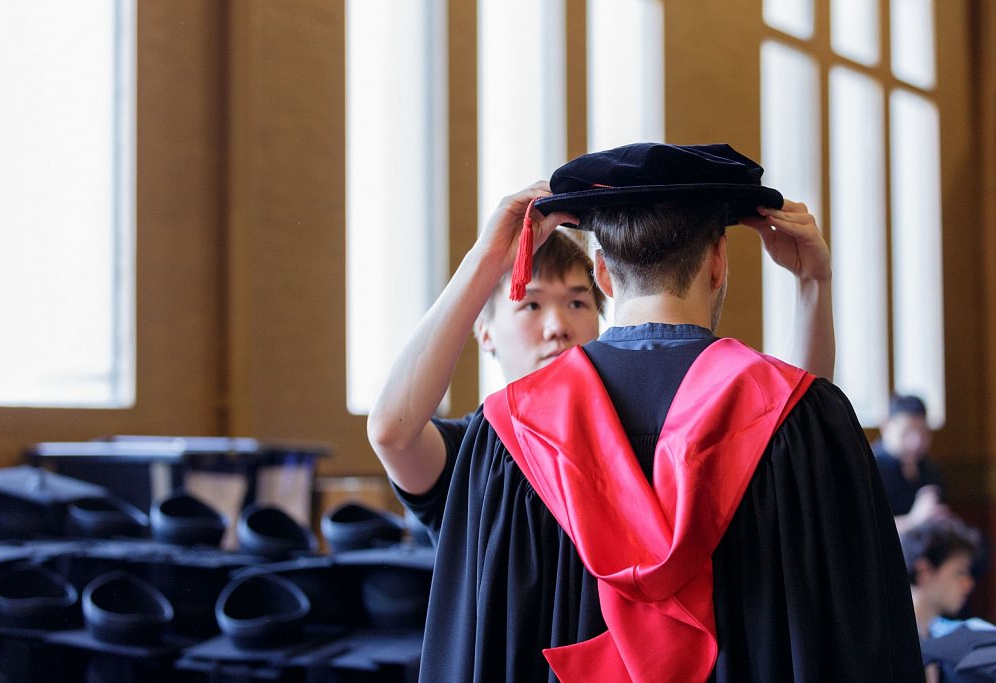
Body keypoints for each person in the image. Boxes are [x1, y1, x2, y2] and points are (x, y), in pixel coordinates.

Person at [370, 143, 921, 682]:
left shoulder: (500, 444)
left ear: (603, 276)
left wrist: (487, 257)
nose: (557, 324)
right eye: (531, 303)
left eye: (574, 300)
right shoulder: (795, 420)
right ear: (718, 263)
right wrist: (813, 283)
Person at [901, 518, 996, 681]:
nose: (969, 584)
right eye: (960, 572)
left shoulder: (946, 635)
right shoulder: (894, 643)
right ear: (924, 572)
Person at [874, 393, 949, 534]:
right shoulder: (869, 467)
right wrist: (913, 520)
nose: (916, 442)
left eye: (922, 433)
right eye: (907, 432)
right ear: (886, 427)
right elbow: (869, 532)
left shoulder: (929, 468)